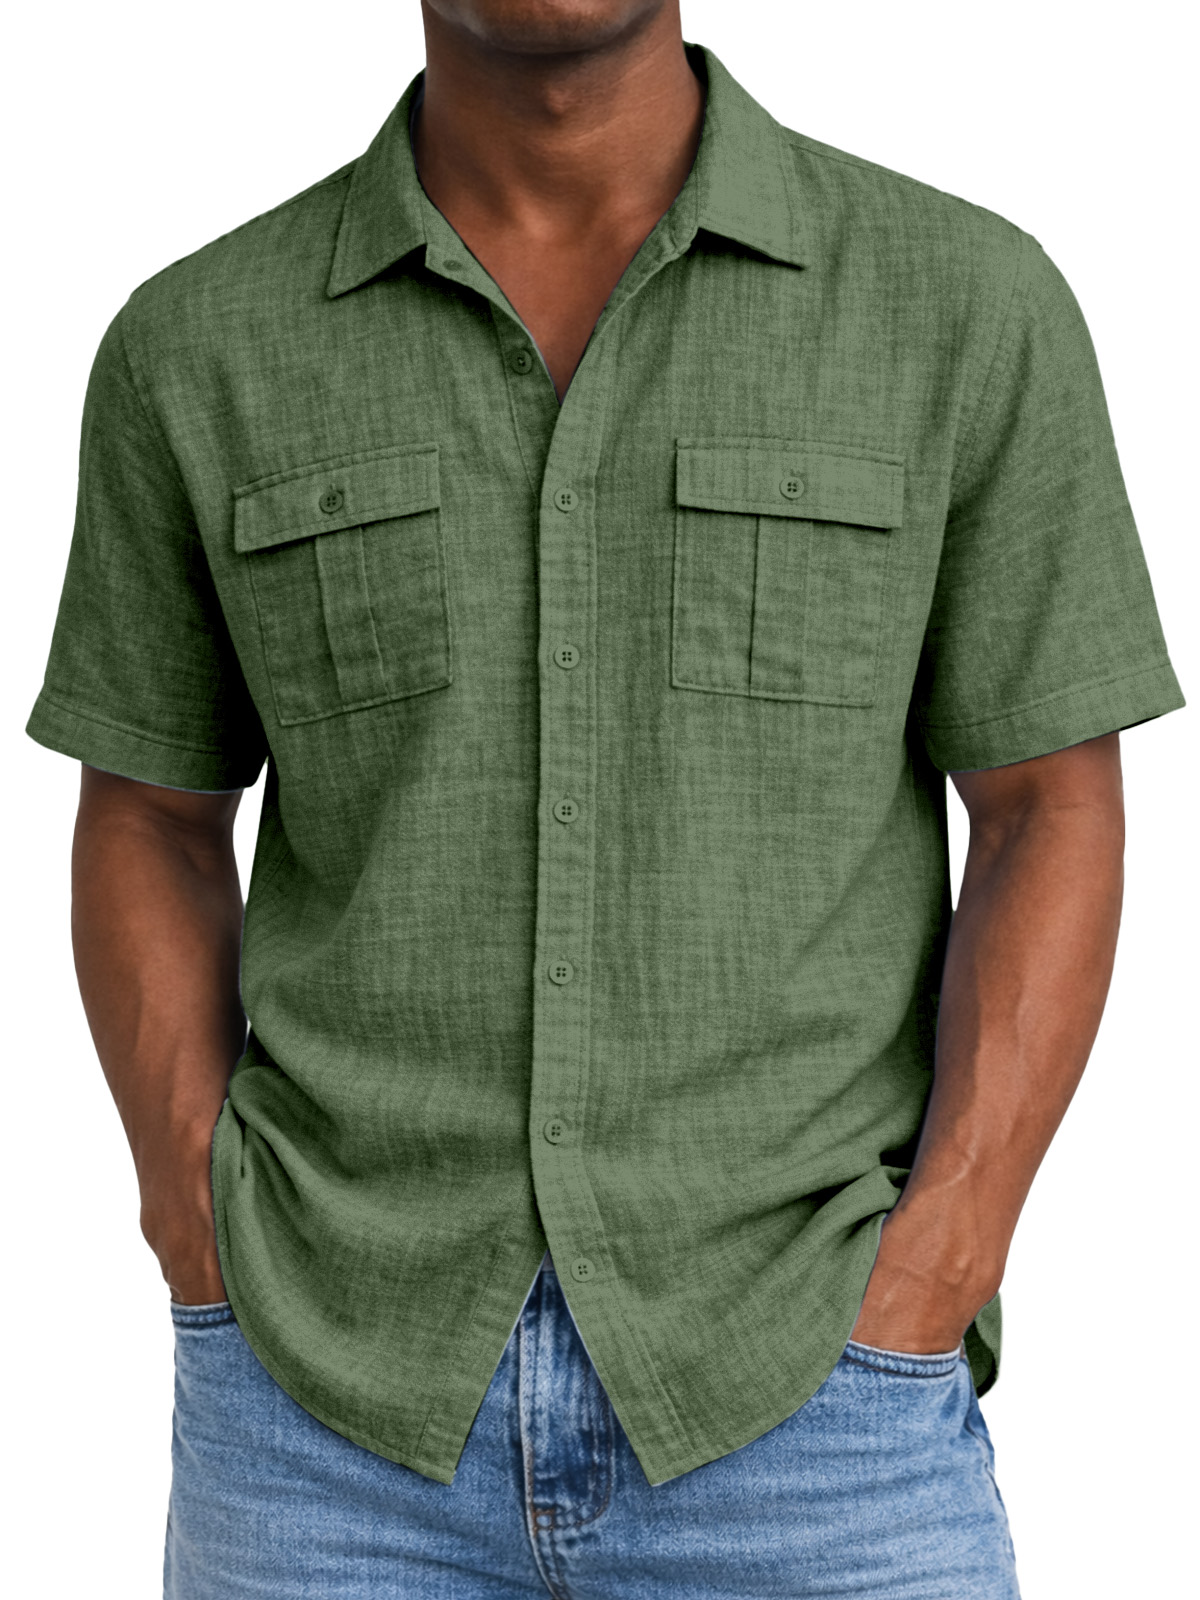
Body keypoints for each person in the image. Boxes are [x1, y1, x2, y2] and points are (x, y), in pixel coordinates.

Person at [27, 1, 1184, 1595]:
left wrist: (939, 1264)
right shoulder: (198, 342)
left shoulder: (966, 306)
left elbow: (1050, 802)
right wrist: (195, 1224)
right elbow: (151, 812)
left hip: (813, 1401)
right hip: (324, 1415)